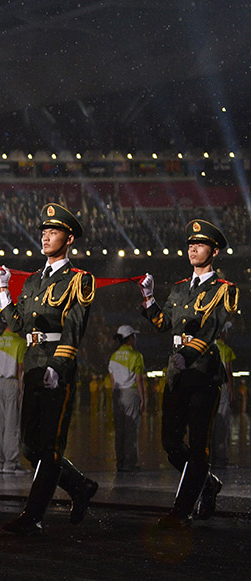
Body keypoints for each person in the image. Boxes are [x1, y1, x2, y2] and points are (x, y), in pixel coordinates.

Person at [0, 202, 98, 535]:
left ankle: (33, 516)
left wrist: (59, 363)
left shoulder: (79, 280)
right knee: (29, 447)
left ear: (69, 239)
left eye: (53, 231)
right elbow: (17, 324)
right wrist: (2, 290)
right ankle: (80, 486)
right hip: (33, 364)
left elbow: (74, 328)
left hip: (57, 365)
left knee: (50, 446)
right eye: (43, 231)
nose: (45, 236)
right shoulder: (32, 282)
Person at [139, 219, 238, 527]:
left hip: (203, 372)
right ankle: (207, 483)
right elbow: (163, 324)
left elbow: (212, 328)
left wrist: (188, 353)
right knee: (170, 441)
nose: (193, 248)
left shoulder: (225, 290)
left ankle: (180, 511)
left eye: (200, 244)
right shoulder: (180, 289)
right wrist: (149, 299)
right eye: (190, 244)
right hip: (177, 372)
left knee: (198, 445)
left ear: (214, 250)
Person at [108, 325, 146, 472]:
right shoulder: (136, 356)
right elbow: (139, 380)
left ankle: (120, 462)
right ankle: (130, 463)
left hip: (117, 395)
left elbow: (112, 382)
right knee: (131, 430)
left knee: (119, 431)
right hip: (131, 394)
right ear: (129, 338)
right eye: (134, 336)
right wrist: (143, 399)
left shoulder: (113, 357)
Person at [0, 326, 25, 474]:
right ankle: (11, 464)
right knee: (12, 424)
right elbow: (20, 370)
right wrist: (21, 392)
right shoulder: (20, 343)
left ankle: (0, 462)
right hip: (12, 383)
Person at [212, 321, 236, 469]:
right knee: (222, 425)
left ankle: (211, 457)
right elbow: (229, 373)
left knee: (212, 423)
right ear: (223, 333)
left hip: (211, 389)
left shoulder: (210, 348)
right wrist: (231, 391)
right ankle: (221, 458)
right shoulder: (226, 350)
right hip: (222, 388)